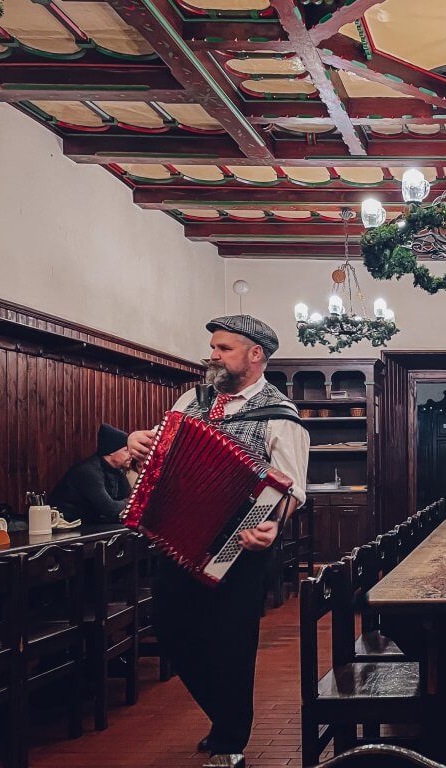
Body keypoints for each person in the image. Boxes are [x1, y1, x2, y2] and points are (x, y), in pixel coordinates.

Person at [126, 315, 309, 762]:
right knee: (170, 631)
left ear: (255, 354)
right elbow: (158, 456)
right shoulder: (192, 399)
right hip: (176, 538)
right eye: (213, 347)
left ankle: (230, 740)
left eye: (224, 348)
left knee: (231, 643)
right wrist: (136, 445)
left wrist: (274, 524)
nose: (213, 355)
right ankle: (227, 717)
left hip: (238, 548)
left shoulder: (280, 415)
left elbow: (292, 489)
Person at [48, 423, 132, 523]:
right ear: (111, 452)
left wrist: (130, 501)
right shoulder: (89, 472)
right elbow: (110, 509)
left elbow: (130, 498)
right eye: (126, 451)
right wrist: (130, 502)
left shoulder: (117, 470)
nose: (131, 455)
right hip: (67, 525)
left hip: (90, 523)